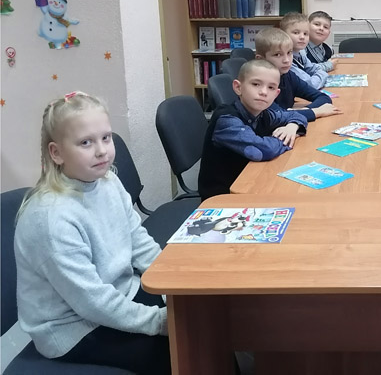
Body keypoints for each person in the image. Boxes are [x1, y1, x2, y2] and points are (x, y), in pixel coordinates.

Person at [14, 92, 170, 374]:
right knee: (177, 349)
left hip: (117, 293)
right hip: (73, 327)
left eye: (106, 138)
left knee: (197, 317)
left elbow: (138, 241)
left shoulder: (108, 181)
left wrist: (171, 283)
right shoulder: (51, 218)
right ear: (56, 153)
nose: (101, 151)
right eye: (86, 142)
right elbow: (92, 302)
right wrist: (159, 322)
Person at [198, 59, 308, 200]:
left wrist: (292, 127)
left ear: (276, 94)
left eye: (271, 87)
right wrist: (286, 139)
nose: (263, 92)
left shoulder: (263, 114)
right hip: (224, 197)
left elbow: (296, 115)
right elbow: (262, 150)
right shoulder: (226, 119)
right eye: (256, 84)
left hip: (251, 182)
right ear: (238, 87)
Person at [254, 27, 341, 122]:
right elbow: (278, 116)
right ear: (260, 59)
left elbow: (323, 98)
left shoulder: (288, 76)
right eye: (278, 55)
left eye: (289, 53)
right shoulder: (258, 86)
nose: (286, 60)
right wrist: (315, 112)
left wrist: (305, 110)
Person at [280, 12, 328, 89]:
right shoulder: (285, 60)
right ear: (283, 34)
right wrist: (323, 74)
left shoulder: (300, 53)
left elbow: (313, 68)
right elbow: (310, 85)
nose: (302, 37)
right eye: (296, 33)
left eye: (305, 33)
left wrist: (318, 75)